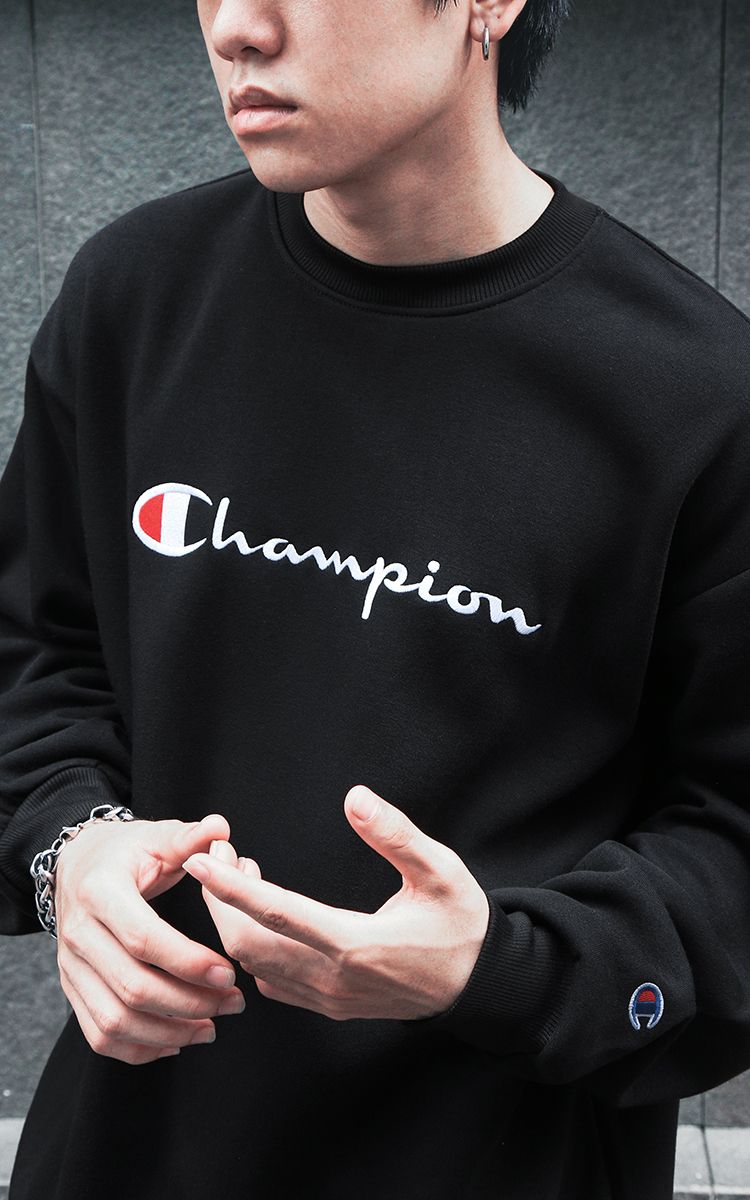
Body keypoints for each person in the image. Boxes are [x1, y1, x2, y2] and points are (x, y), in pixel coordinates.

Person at [1, 0, 749, 1196]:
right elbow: (35, 654)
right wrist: (72, 851)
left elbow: (731, 849)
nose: (238, 28)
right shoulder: (135, 300)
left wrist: (498, 966)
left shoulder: (696, 397)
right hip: (133, 1146)